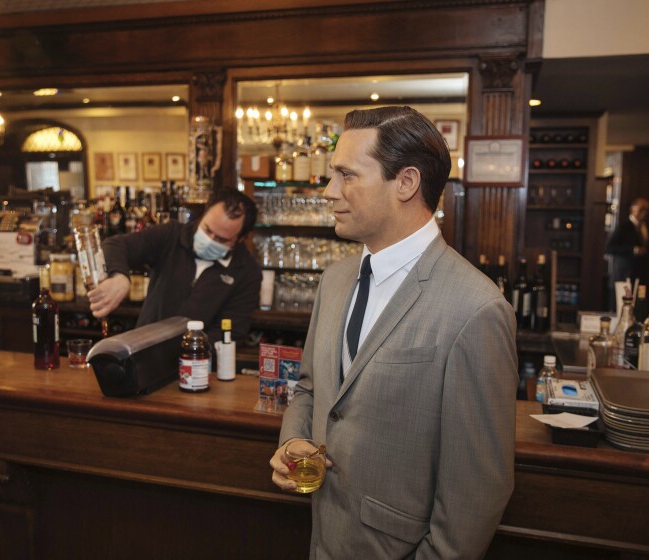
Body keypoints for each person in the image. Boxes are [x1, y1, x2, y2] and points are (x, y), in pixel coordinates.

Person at [269, 107, 517, 559]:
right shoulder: (335, 279)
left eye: (346, 175)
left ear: (405, 182)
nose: (329, 192)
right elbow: (308, 388)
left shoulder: (475, 308)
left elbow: (477, 491)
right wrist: (292, 439)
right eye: (331, 175)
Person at [88, 189, 262, 345]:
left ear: (239, 240)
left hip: (198, 368)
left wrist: (189, 355)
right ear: (203, 215)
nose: (210, 239)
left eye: (221, 239)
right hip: (142, 353)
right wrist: (119, 277)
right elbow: (115, 245)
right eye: (207, 229)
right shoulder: (172, 236)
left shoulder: (247, 273)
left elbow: (228, 334)